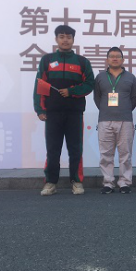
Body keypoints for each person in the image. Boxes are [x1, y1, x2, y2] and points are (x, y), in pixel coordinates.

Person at [33, 25, 95, 196]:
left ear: (73, 40)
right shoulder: (47, 60)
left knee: (75, 149)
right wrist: (40, 109)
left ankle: (76, 181)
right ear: (56, 39)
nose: (65, 40)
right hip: (52, 113)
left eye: (68, 37)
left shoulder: (82, 62)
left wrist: (71, 91)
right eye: (61, 37)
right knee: (53, 149)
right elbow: (39, 85)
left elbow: (89, 84)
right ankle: (51, 182)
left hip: (74, 113)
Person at [94, 47, 136, 194]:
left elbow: (134, 98)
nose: (115, 58)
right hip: (105, 120)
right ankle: (108, 183)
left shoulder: (130, 77)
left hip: (125, 120)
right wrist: (107, 110)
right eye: (112, 56)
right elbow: (97, 98)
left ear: (123, 59)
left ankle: (124, 183)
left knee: (125, 154)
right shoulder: (100, 77)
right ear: (107, 59)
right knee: (106, 154)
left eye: (118, 56)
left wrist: (124, 109)